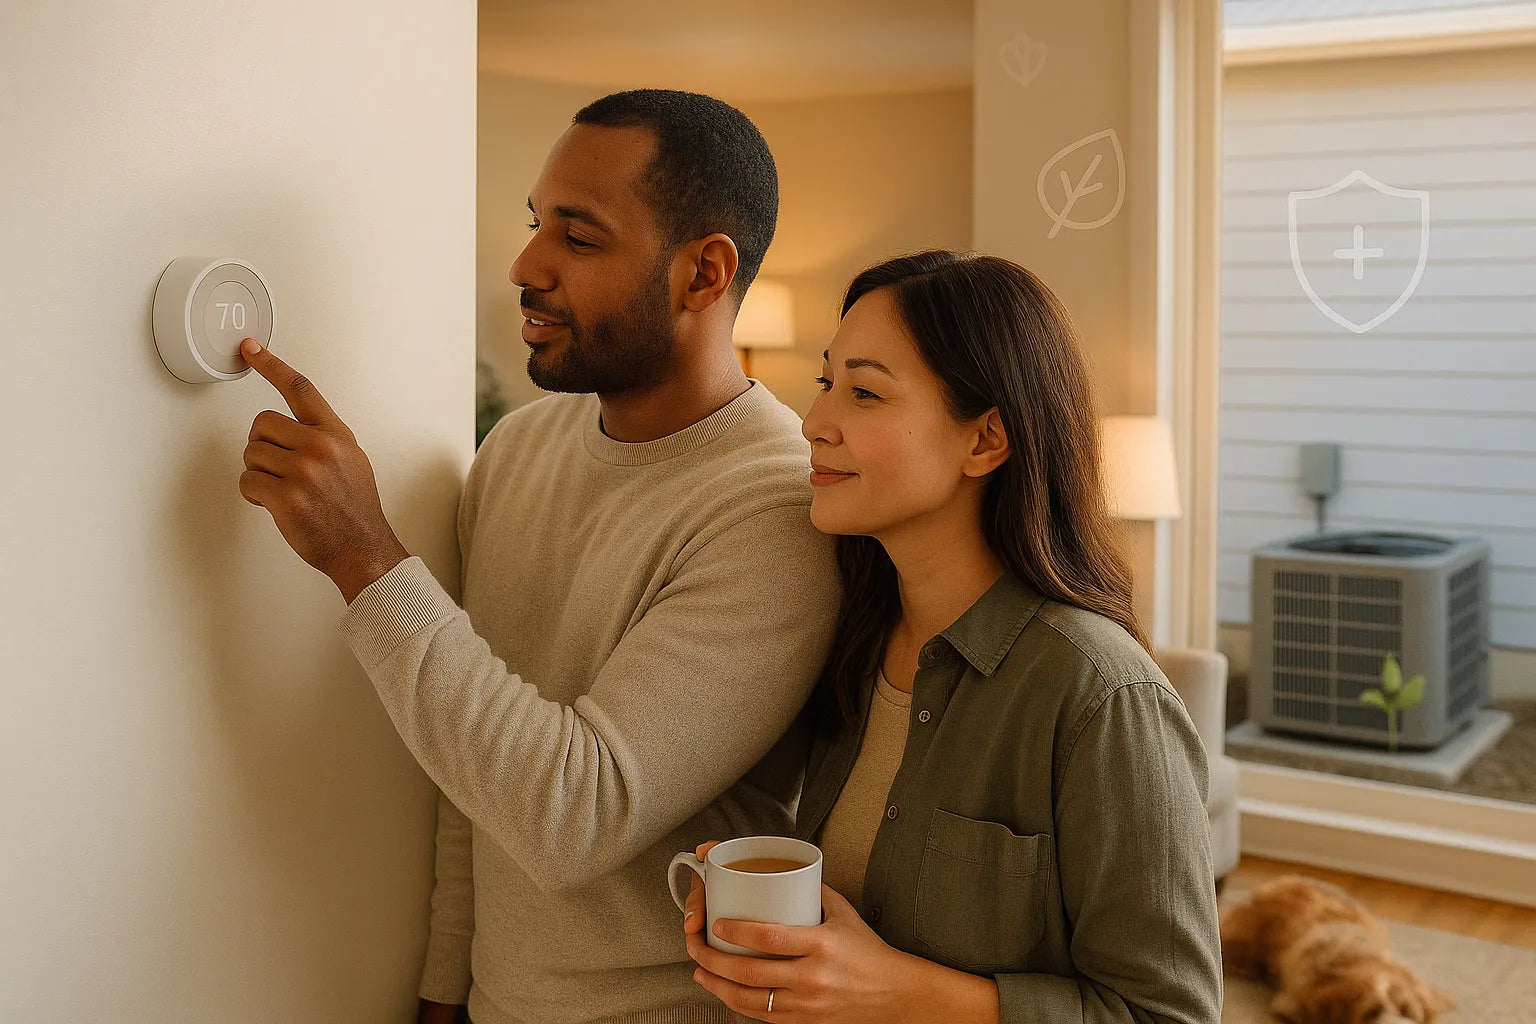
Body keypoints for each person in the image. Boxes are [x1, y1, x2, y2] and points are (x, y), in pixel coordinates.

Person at [329, 88, 841, 1024]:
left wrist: (365, 559)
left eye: (579, 236)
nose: (526, 266)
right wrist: (448, 985)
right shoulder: (516, 450)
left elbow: (576, 813)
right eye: (536, 224)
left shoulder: (776, 509)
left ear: (703, 274)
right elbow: (468, 761)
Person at [679, 251, 1224, 1024]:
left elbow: (1170, 1014)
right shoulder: (847, 641)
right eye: (826, 383)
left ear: (985, 440)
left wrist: (898, 992)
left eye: (865, 392)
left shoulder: (1102, 698)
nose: (814, 423)